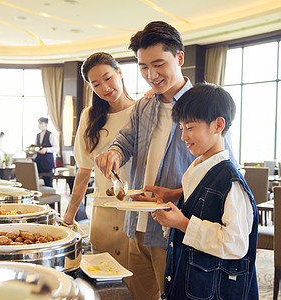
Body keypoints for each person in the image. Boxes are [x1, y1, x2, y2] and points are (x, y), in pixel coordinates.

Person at [94, 21, 236, 300]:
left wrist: (178, 196)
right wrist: (114, 153)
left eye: (158, 64)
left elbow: (222, 173)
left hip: (175, 228)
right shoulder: (145, 105)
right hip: (137, 224)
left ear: (179, 57)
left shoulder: (205, 105)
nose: (151, 75)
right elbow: (125, 141)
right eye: (144, 67)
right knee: (139, 293)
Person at [150, 83, 258, 299]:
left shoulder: (230, 181)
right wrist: (171, 216)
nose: (183, 137)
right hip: (191, 281)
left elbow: (236, 244)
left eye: (190, 128)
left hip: (211, 289)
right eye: (181, 128)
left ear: (218, 125)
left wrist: (182, 223)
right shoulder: (196, 167)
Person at [63, 52, 136, 269]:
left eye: (108, 78)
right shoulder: (90, 117)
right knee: (102, 275)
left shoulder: (141, 110)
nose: (104, 87)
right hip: (103, 210)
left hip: (134, 210)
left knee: (135, 282)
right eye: (96, 84)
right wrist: (69, 217)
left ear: (119, 73)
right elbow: (84, 171)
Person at [34, 117, 59, 187]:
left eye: (41, 123)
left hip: (47, 162)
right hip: (39, 161)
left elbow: (56, 148)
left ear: (46, 124)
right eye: (39, 123)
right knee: (36, 180)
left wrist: (46, 149)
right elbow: (37, 146)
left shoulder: (51, 135)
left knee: (48, 182)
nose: (39, 125)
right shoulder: (38, 135)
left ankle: (50, 195)